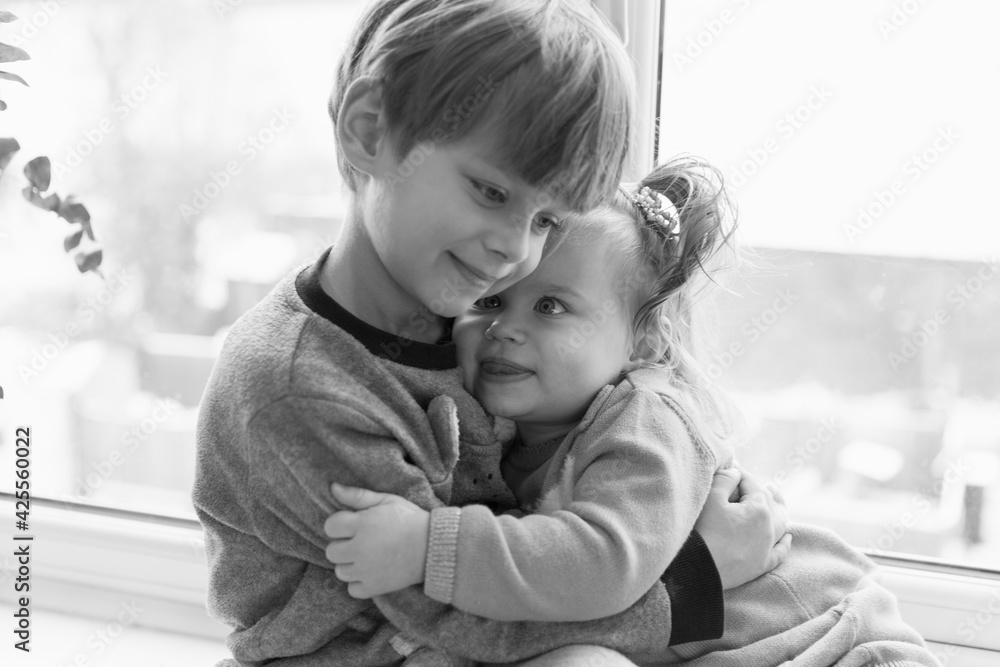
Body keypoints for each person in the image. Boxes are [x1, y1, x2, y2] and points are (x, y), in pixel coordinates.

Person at [192, 1, 789, 665]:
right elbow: (457, 615)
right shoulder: (301, 390)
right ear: (369, 131)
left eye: (545, 221)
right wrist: (695, 582)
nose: (515, 249)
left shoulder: (465, 311)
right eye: (492, 192)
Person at [325, 156, 943, 667]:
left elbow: (600, 564)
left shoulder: (645, 417)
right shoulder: (500, 436)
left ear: (641, 342)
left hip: (835, 643)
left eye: (551, 307)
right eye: (490, 300)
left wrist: (428, 548)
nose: (504, 329)